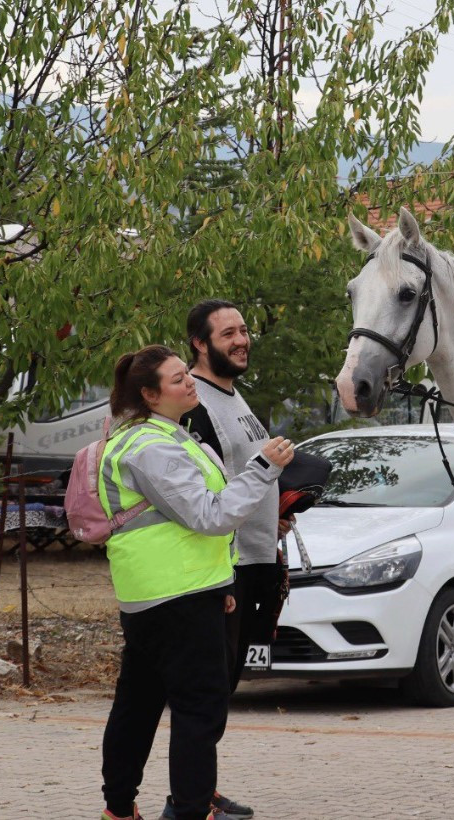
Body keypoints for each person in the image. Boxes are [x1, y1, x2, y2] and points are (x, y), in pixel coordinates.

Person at [97, 344, 294, 820]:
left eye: (187, 374)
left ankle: (119, 808)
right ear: (149, 395)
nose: (189, 382)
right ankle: (189, 809)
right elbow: (210, 514)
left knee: (138, 705)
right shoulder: (153, 447)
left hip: (165, 593)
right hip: (178, 598)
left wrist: (220, 584)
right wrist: (265, 468)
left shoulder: (162, 436)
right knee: (199, 710)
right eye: (177, 379)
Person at [166, 300, 282, 820]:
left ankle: (200, 792)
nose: (241, 339)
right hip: (225, 567)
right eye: (228, 333)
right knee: (206, 694)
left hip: (257, 559)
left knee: (222, 690)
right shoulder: (196, 404)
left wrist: (279, 513)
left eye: (243, 329)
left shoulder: (236, 399)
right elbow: (202, 495)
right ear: (200, 342)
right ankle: (187, 801)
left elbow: (245, 478)